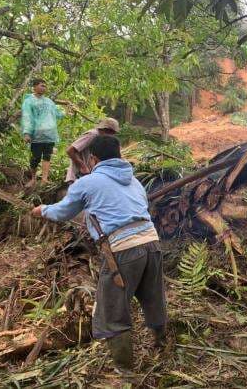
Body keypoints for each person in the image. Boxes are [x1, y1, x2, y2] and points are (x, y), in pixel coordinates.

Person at [31, 135, 166, 371]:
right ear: (120, 156)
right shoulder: (134, 181)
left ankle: (125, 373)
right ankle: (162, 344)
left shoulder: (88, 182)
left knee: (112, 310)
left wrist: (42, 210)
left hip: (122, 250)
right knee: (153, 297)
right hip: (152, 244)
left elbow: (64, 212)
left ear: (92, 158)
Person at [21, 78, 64, 187]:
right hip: (37, 135)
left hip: (50, 134)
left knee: (47, 156)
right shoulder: (29, 101)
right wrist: (27, 133)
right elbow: (27, 117)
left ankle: (44, 179)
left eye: (45, 86)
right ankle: (33, 178)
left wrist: (66, 111)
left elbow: (57, 113)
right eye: (41, 85)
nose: (43, 87)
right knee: (35, 157)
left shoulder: (49, 101)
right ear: (34, 87)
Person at [66, 118, 120, 183]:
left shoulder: (102, 139)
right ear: (106, 130)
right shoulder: (92, 135)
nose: (112, 136)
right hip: (78, 176)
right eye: (112, 133)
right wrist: (83, 166)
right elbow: (70, 150)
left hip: (88, 175)